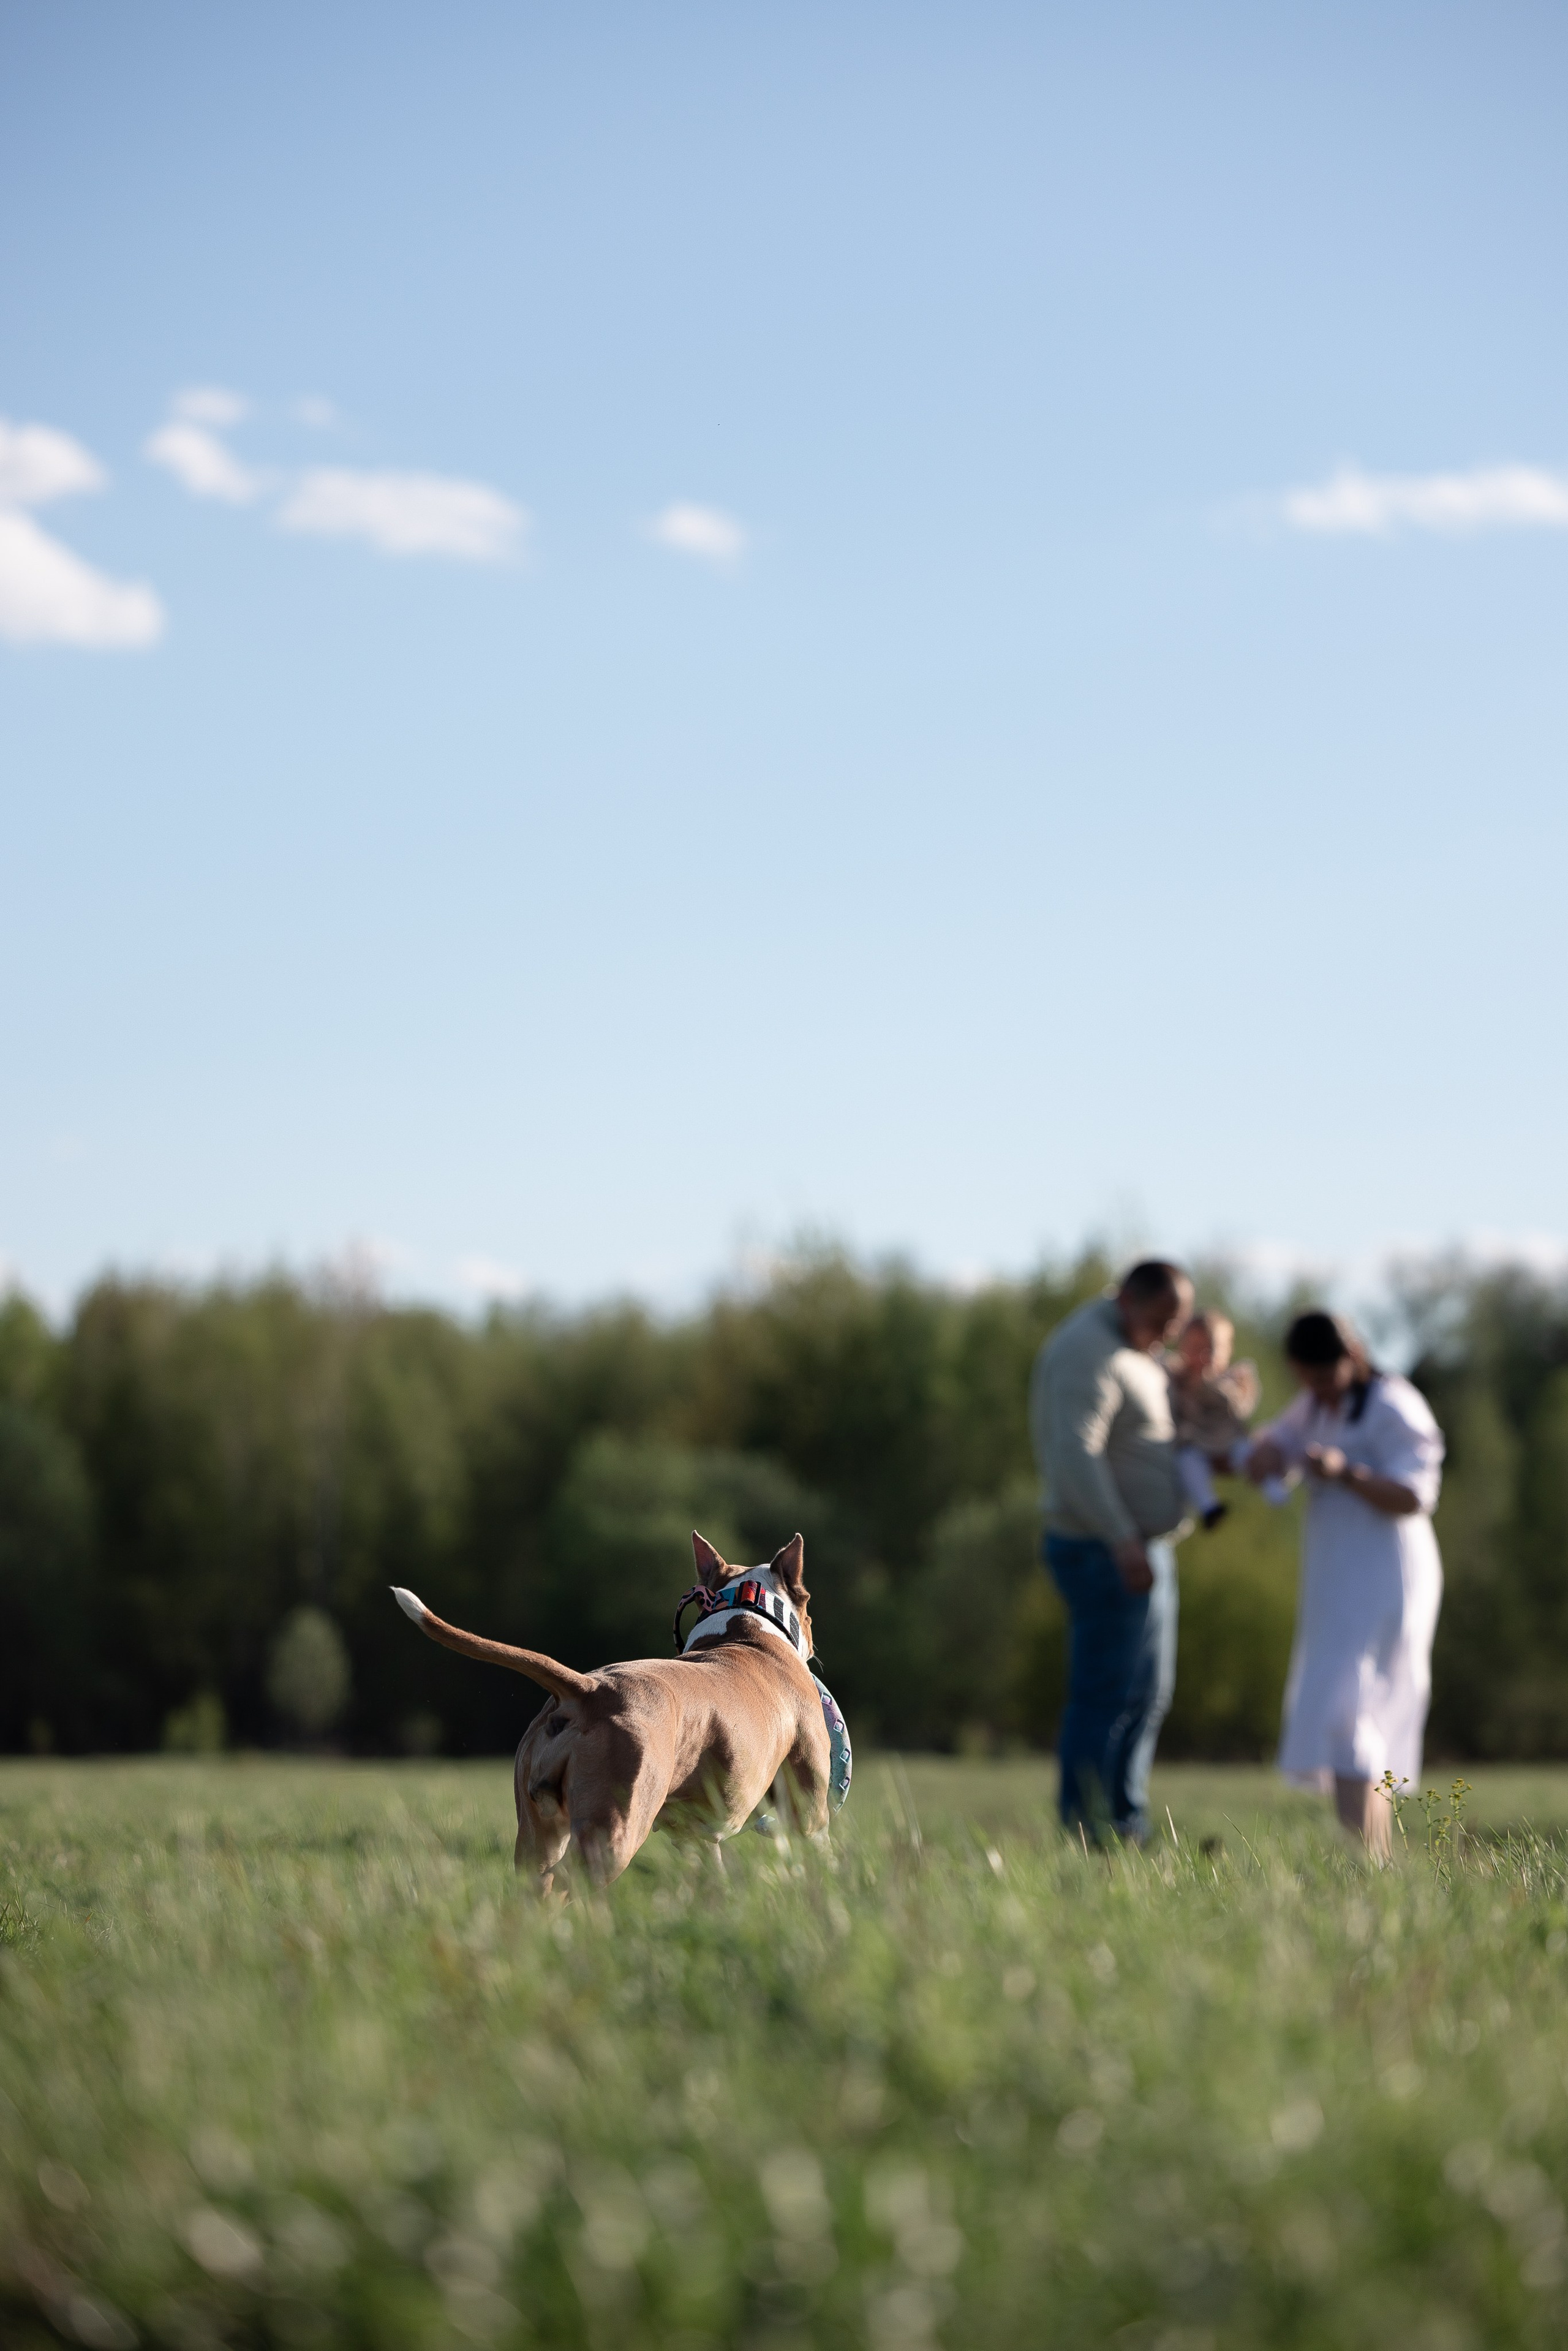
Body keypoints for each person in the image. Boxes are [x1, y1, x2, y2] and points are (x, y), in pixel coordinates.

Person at [1246, 1309, 1444, 1863]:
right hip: (1336, 1576)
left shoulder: (1393, 1405)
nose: (1315, 1392)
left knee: (1353, 1707)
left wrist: (1346, 1472)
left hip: (1386, 1573)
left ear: (1352, 1357)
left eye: (1324, 1378)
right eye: (1305, 1381)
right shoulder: (1316, 1404)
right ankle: (1372, 1860)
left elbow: (1415, 1496)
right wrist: (1266, 1450)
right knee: (1348, 1713)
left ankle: (1367, 1858)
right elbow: (1280, 1443)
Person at [1028, 1259, 1193, 1841]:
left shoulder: (1132, 1347)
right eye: (1161, 1319)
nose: (1169, 1333)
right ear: (1126, 1300)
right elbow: (1075, 1453)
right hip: (1103, 1550)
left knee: (1148, 1695)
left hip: (1141, 1549)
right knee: (1108, 1697)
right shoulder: (1087, 1350)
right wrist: (1121, 1537)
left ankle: (1126, 1822)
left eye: (1178, 1321)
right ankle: (1089, 1831)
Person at [1166, 1310, 1264, 1530]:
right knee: (1188, 1462)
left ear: (1226, 1352)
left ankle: (1271, 1483)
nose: (1202, 1356)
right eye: (1194, 1348)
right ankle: (1209, 1507)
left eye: (1210, 1349)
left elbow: (1240, 1406)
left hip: (1228, 1438)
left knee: (1247, 1452)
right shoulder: (1174, 1375)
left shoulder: (1230, 1380)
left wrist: (1225, 1386)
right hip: (1196, 1440)